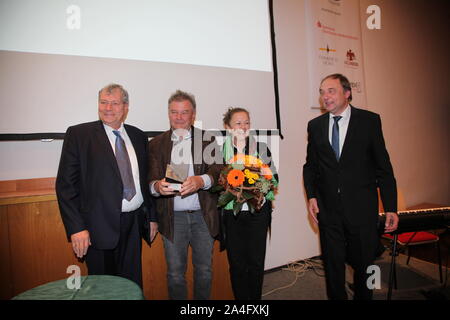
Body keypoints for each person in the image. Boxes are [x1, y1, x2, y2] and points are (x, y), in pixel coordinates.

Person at [303, 73, 399, 300]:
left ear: (347, 93)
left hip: (362, 209)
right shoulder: (315, 126)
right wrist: (312, 195)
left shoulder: (369, 121)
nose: (325, 97)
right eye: (321, 91)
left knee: (364, 265)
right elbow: (310, 166)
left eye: (331, 91)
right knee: (333, 266)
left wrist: (391, 207)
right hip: (328, 210)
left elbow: (383, 168)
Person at [56, 83, 158, 288]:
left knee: (131, 285)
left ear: (125, 107)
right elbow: (65, 186)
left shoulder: (138, 136)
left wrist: (152, 217)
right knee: (103, 288)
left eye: (114, 103)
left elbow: (144, 179)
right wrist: (77, 228)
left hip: (134, 225)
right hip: (96, 229)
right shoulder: (79, 135)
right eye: (103, 102)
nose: (108, 108)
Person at [148, 90, 221, 300]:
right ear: (168, 113)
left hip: (203, 216)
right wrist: (156, 187)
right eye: (174, 112)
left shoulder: (208, 140)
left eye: (184, 112)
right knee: (175, 274)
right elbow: (149, 181)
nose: (179, 117)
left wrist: (201, 180)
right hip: (173, 219)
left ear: (193, 114)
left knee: (205, 271)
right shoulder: (156, 144)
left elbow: (219, 171)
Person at [220, 107, 277, 300]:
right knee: (236, 264)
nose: (243, 127)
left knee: (255, 262)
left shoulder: (261, 148)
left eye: (246, 122)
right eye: (238, 123)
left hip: (258, 213)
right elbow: (217, 183)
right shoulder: (220, 153)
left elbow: (273, 180)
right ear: (228, 127)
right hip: (232, 214)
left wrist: (259, 187)